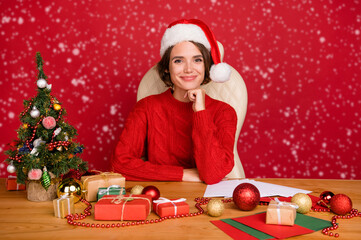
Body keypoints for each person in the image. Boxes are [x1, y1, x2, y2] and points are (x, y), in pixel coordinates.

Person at [111, 19, 237, 184]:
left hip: (206, 199)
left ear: (206, 66)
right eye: (178, 60)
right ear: (166, 67)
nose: (188, 69)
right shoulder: (146, 107)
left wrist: (200, 111)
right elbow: (119, 165)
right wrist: (184, 175)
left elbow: (212, 174)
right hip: (161, 195)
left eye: (197, 60)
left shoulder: (224, 112)